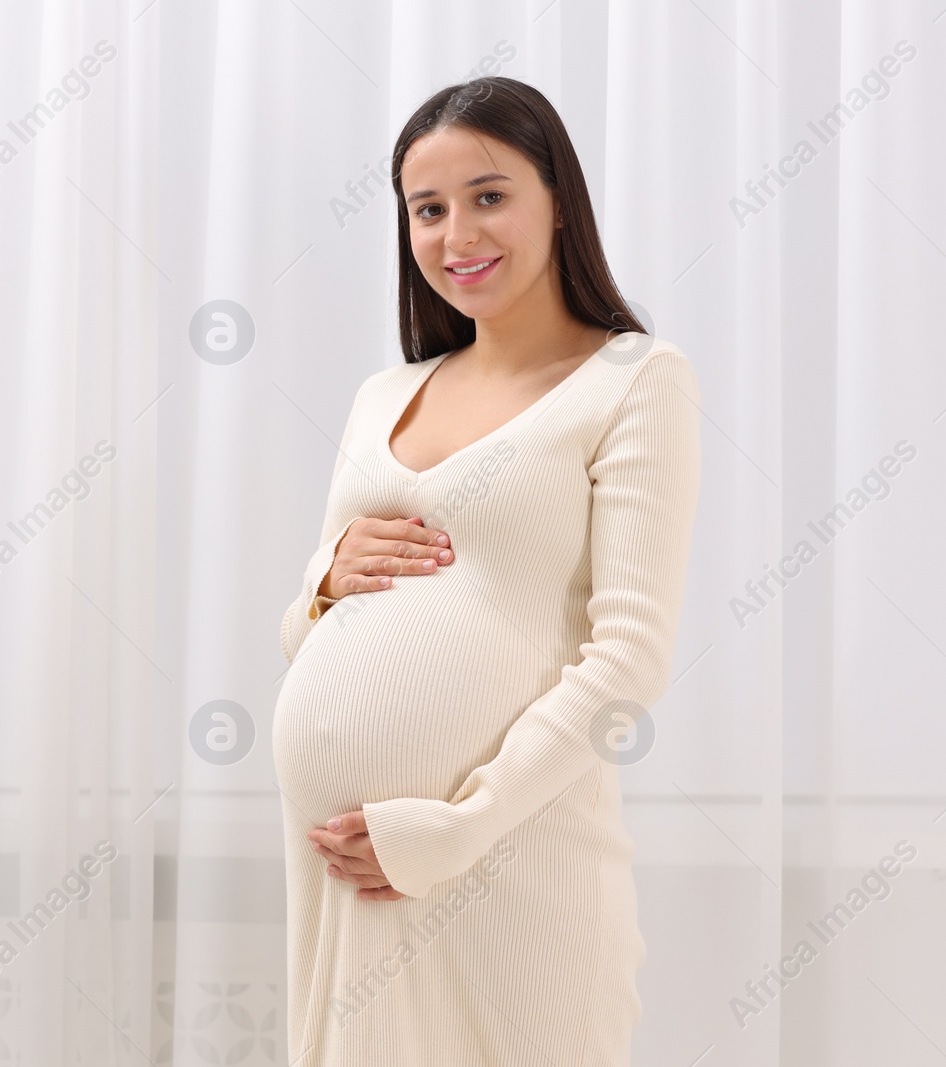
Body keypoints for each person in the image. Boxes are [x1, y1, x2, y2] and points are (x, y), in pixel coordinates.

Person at [273, 75, 702, 1066]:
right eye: (427, 209)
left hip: (506, 861)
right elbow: (304, 635)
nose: (456, 231)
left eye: (489, 194)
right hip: (349, 870)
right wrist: (324, 577)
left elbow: (627, 659)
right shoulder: (387, 394)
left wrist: (453, 828)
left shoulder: (633, 381)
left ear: (559, 197)